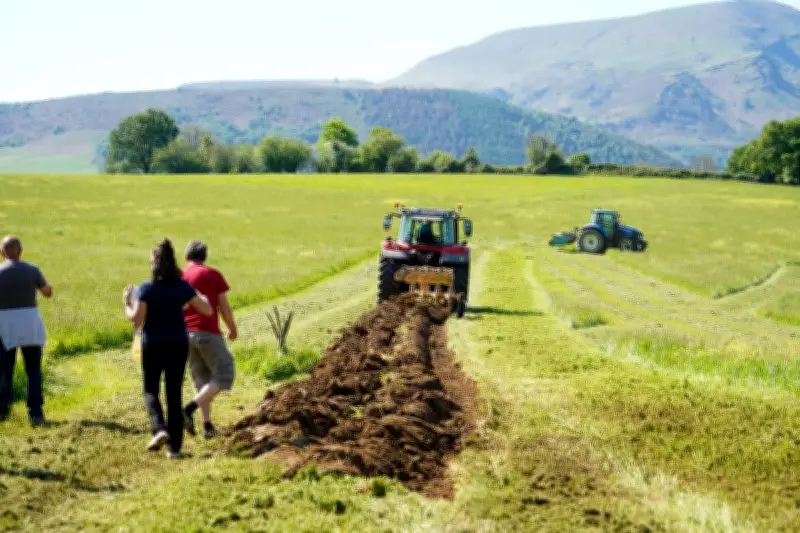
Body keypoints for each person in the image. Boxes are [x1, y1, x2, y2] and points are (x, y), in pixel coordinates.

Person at [123, 238, 212, 459]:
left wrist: (126, 302)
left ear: (154, 264)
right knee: (174, 393)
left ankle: (159, 429)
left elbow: (136, 320)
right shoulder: (182, 287)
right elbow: (207, 310)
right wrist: (198, 296)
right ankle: (174, 449)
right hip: (177, 344)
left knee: (151, 389)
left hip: (153, 344)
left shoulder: (146, 288)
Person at [180, 240, 238, 439]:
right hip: (208, 333)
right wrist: (232, 328)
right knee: (225, 373)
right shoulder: (213, 275)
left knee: (201, 380)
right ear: (204, 257)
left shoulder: (179, 276)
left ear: (186, 257)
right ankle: (187, 409)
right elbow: (224, 307)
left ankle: (207, 427)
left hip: (184, 335)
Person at [0, 236, 53, 426]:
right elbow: (47, 292)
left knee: (5, 370)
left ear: (2, 253)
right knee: (33, 370)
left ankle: (3, 411)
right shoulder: (32, 270)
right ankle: (36, 413)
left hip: (5, 325)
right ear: (20, 251)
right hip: (29, 325)